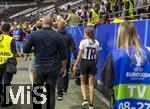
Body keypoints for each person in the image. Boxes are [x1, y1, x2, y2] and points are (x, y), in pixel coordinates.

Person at [102, 21, 150, 109]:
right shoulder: (148, 53)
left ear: (120, 35)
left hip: (121, 105)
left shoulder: (115, 55)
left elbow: (106, 84)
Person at [23, 15, 67, 109]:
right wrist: (64, 68)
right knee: (51, 93)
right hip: (53, 67)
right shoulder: (58, 36)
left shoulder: (34, 34)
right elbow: (63, 55)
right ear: (52, 23)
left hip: (40, 67)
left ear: (43, 23)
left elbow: (25, 49)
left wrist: (35, 50)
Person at [73, 27, 100, 109]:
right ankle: (91, 104)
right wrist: (95, 63)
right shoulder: (96, 42)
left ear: (87, 34)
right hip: (92, 63)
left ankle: (85, 99)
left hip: (85, 62)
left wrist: (75, 64)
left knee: (83, 82)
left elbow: (80, 55)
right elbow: (97, 56)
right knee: (91, 84)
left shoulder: (83, 42)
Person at [57, 21, 77, 100]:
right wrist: (75, 57)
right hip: (66, 57)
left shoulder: (55, 35)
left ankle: (60, 93)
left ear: (58, 26)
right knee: (65, 71)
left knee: (59, 74)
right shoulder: (69, 36)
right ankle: (65, 89)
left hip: (57, 56)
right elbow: (73, 47)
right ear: (65, 27)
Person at [0, 23, 17, 107]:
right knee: (7, 82)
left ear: (1, 29)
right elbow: (14, 52)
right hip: (8, 63)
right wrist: (15, 62)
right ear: (9, 30)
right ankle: (6, 101)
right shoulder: (11, 39)